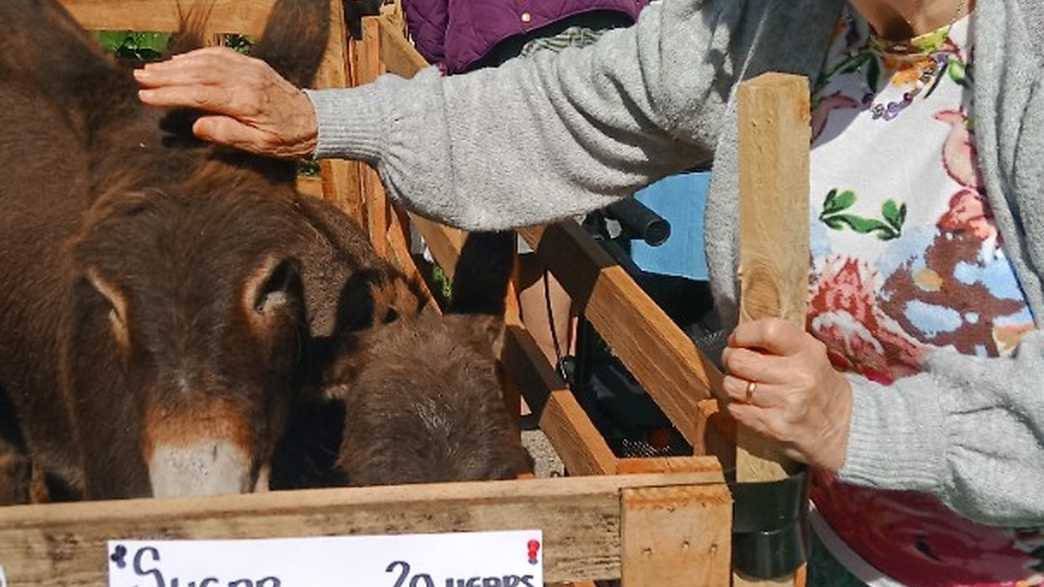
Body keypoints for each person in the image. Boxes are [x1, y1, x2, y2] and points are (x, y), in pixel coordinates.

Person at [134, 0, 1044, 584]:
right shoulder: (775, 22)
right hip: (827, 549)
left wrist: (860, 426)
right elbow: (557, 109)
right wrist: (322, 118)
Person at [401, 0, 649, 368]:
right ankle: (575, 381)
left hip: (513, 34)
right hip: (609, 25)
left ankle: (552, 383)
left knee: (540, 221)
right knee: (589, 212)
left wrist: (437, 54)